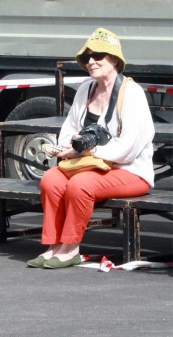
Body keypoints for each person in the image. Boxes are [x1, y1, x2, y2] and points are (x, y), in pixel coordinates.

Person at [27, 28, 154, 269]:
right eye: (87, 57)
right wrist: (66, 146)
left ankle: (71, 247)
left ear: (115, 59)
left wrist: (89, 152)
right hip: (91, 166)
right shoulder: (86, 89)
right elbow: (69, 129)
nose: (91, 62)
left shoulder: (132, 94)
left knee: (80, 185)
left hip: (130, 169)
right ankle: (53, 245)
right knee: (51, 179)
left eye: (98, 56)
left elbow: (128, 147)